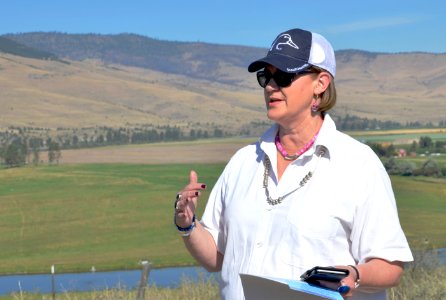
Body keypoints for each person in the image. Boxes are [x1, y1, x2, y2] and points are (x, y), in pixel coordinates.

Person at [173, 28, 413, 299]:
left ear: (320, 83)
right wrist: (188, 225)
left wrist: (354, 275)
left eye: (284, 76)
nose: (271, 86)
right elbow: (217, 259)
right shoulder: (243, 162)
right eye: (265, 77)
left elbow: (391, 266)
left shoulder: (358, 164)